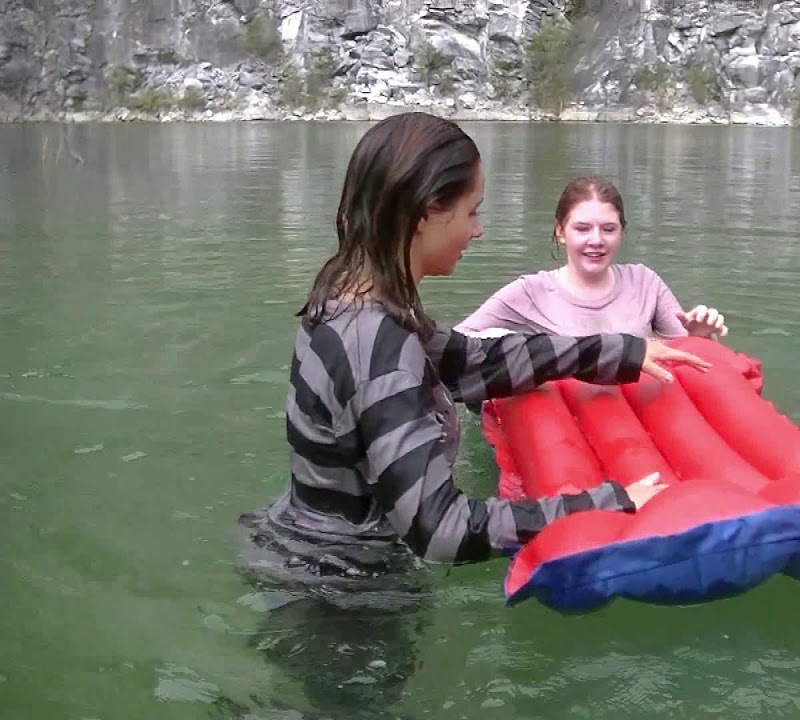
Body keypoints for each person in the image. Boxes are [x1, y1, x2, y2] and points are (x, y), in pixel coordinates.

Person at [236, 112, 713, 591]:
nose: (478, 229)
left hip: (312, 551)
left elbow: (474, 361)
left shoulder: (350, 300)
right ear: (427, 213)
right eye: (471, 211)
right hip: (341, 592)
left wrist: (622, 351)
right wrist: (609, 502)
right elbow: (441, 530)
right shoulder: (377, 342)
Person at [454, 175, 729, 340]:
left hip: (637, 413)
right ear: (560, 231)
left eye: (608, 229)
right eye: (582, 229)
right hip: (563, 417)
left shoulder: (645, 283)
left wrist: (700, 336)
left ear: (621, 232)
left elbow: (688, 361)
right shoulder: (529, 293)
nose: (596, 240)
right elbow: (455, 345)